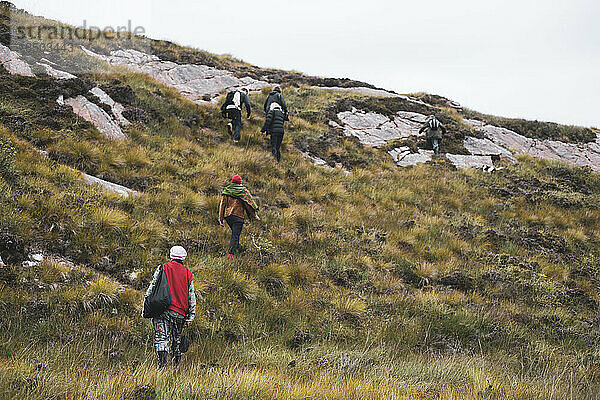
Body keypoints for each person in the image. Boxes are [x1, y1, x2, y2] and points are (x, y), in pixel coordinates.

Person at [144, 246, 196, 368]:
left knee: (162, 338)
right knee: (176, 340)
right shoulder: (189, 274)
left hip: (162, 310)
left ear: (171, 255)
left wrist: (147, 302)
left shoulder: (163, 268)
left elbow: (152, 286)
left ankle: (162, 367)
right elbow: (191, 296)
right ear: (183, 257)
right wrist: (191, 316)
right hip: (180, 313)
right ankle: (176, 366)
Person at [218, 175, 260, 259]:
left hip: (228, 216)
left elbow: (222, 205)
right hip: (238, 216)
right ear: (240, 183)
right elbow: (248, 205)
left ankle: (236, 249)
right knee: (235, 235)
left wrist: (221, 218)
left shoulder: (227, 190)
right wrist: (254, 215)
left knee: (235, 233)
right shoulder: (243, 191)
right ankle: (231, 254)